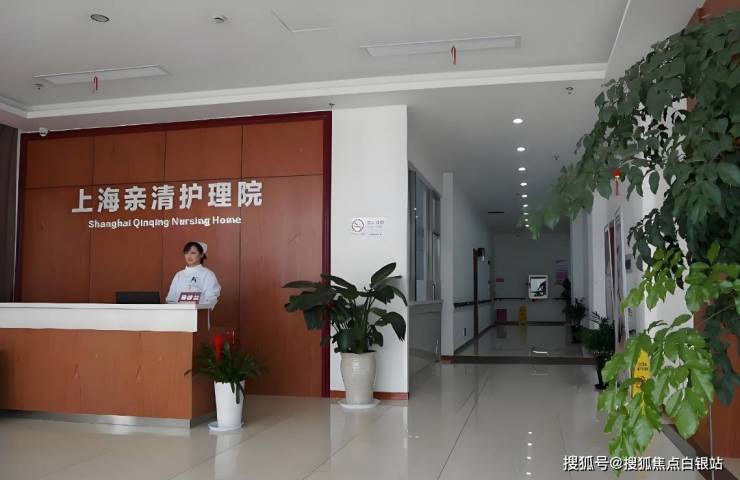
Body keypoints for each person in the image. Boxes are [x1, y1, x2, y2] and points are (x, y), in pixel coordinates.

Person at [166, 241, 221, 307]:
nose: (189, 256)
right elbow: (171, 299)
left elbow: (211, 299)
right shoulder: (179, 275)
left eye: (193, 253)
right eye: (186, 253)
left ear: (201, 255)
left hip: (200, 312)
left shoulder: (208, 274)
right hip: (179, 312)